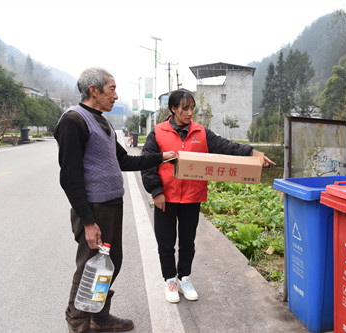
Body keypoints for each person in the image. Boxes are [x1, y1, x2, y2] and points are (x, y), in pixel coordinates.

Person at [54, 67, 177, 333]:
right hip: (94, 208)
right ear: (93, 91)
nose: (116, 95)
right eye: (111, 89)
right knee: (89, 265)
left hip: (111, 205)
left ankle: (99, 315)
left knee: (111, 262)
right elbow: (70, 178)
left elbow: (124, 160)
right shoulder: (73, 121)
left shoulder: (103, 122)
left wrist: (162, 157)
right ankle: (77, 323)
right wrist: (88, 221)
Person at [141, 89, 275, 303]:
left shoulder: (201, 133)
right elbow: (148, 164)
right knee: (166, 243)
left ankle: (184, 278)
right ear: (173, 109)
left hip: (192, 197)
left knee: (187, 242)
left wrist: (252, 154)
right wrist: (156, 191)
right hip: (165, 197)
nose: (189, 113)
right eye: (185, 108)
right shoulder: (158, 133)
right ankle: (170, 281)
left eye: (192, 108)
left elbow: (226, 147)